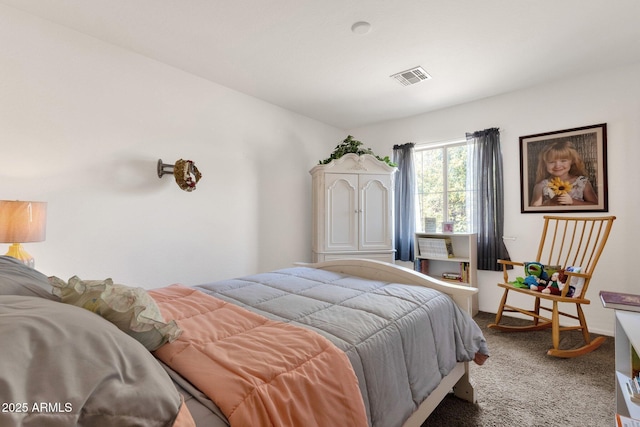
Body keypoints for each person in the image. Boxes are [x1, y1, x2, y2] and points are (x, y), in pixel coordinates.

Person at [530, 140, 598, 206]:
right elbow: (534, 209)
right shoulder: (541, 186)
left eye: (563, 161)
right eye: (551, 162)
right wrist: (550, 203)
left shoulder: (582, 182)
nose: (557, 165)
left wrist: (572, 201)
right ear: (545, 164)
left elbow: (596, 205)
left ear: (572, 161)